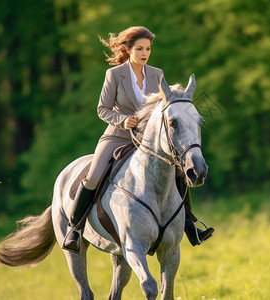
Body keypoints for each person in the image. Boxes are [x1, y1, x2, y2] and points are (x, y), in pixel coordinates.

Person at [62, 26, 214, 252]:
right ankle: (74, 228)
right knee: (93, 176)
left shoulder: (157, 74)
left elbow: (166, 104)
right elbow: (102, 109)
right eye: (140, 49)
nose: (145, 53)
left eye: (148, 49)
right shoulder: (113, 75)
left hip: (149, 140)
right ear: (128, 49)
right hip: (117, 136)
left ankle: (190, 224)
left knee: (179, 171)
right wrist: (123, 120)